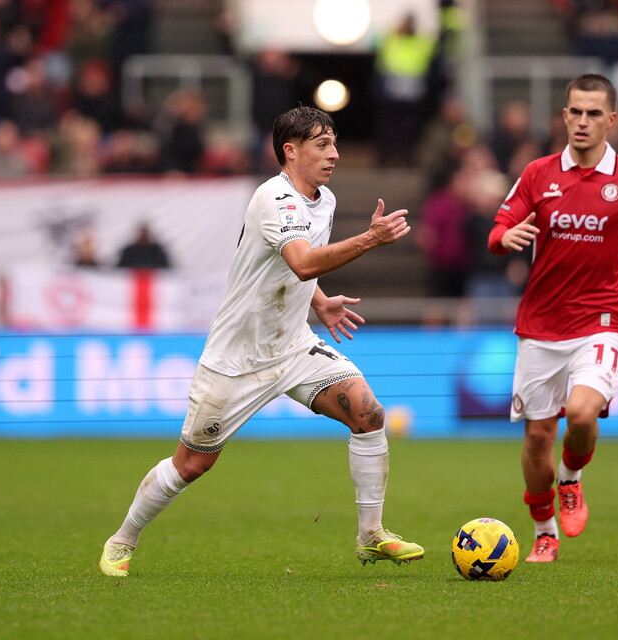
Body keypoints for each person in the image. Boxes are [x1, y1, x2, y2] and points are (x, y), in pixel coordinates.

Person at [99, 106, 424, 576]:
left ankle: (371, 535)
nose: (333, 154)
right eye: (322, 145)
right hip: (236, 359)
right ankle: (121, 540)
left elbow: (292, 270)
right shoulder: (274, 199)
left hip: (292, 346)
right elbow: (303, 261)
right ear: (290, 151)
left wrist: (319, 302)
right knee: (191, 465)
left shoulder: (324, 200)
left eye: (334, 143)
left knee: (369, 414)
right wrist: (370, 240)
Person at [487, 74, 618, 562]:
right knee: (538, 434)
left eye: (593, 113)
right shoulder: (538, 173)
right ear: (563, 116)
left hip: (602, 321)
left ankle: (572, 477)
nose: (583, 122)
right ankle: (543, 529)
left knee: (581, 413)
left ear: (612, 120)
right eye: (575, 112)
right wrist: (503, 238)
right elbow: (499, 228)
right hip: (539, 324)